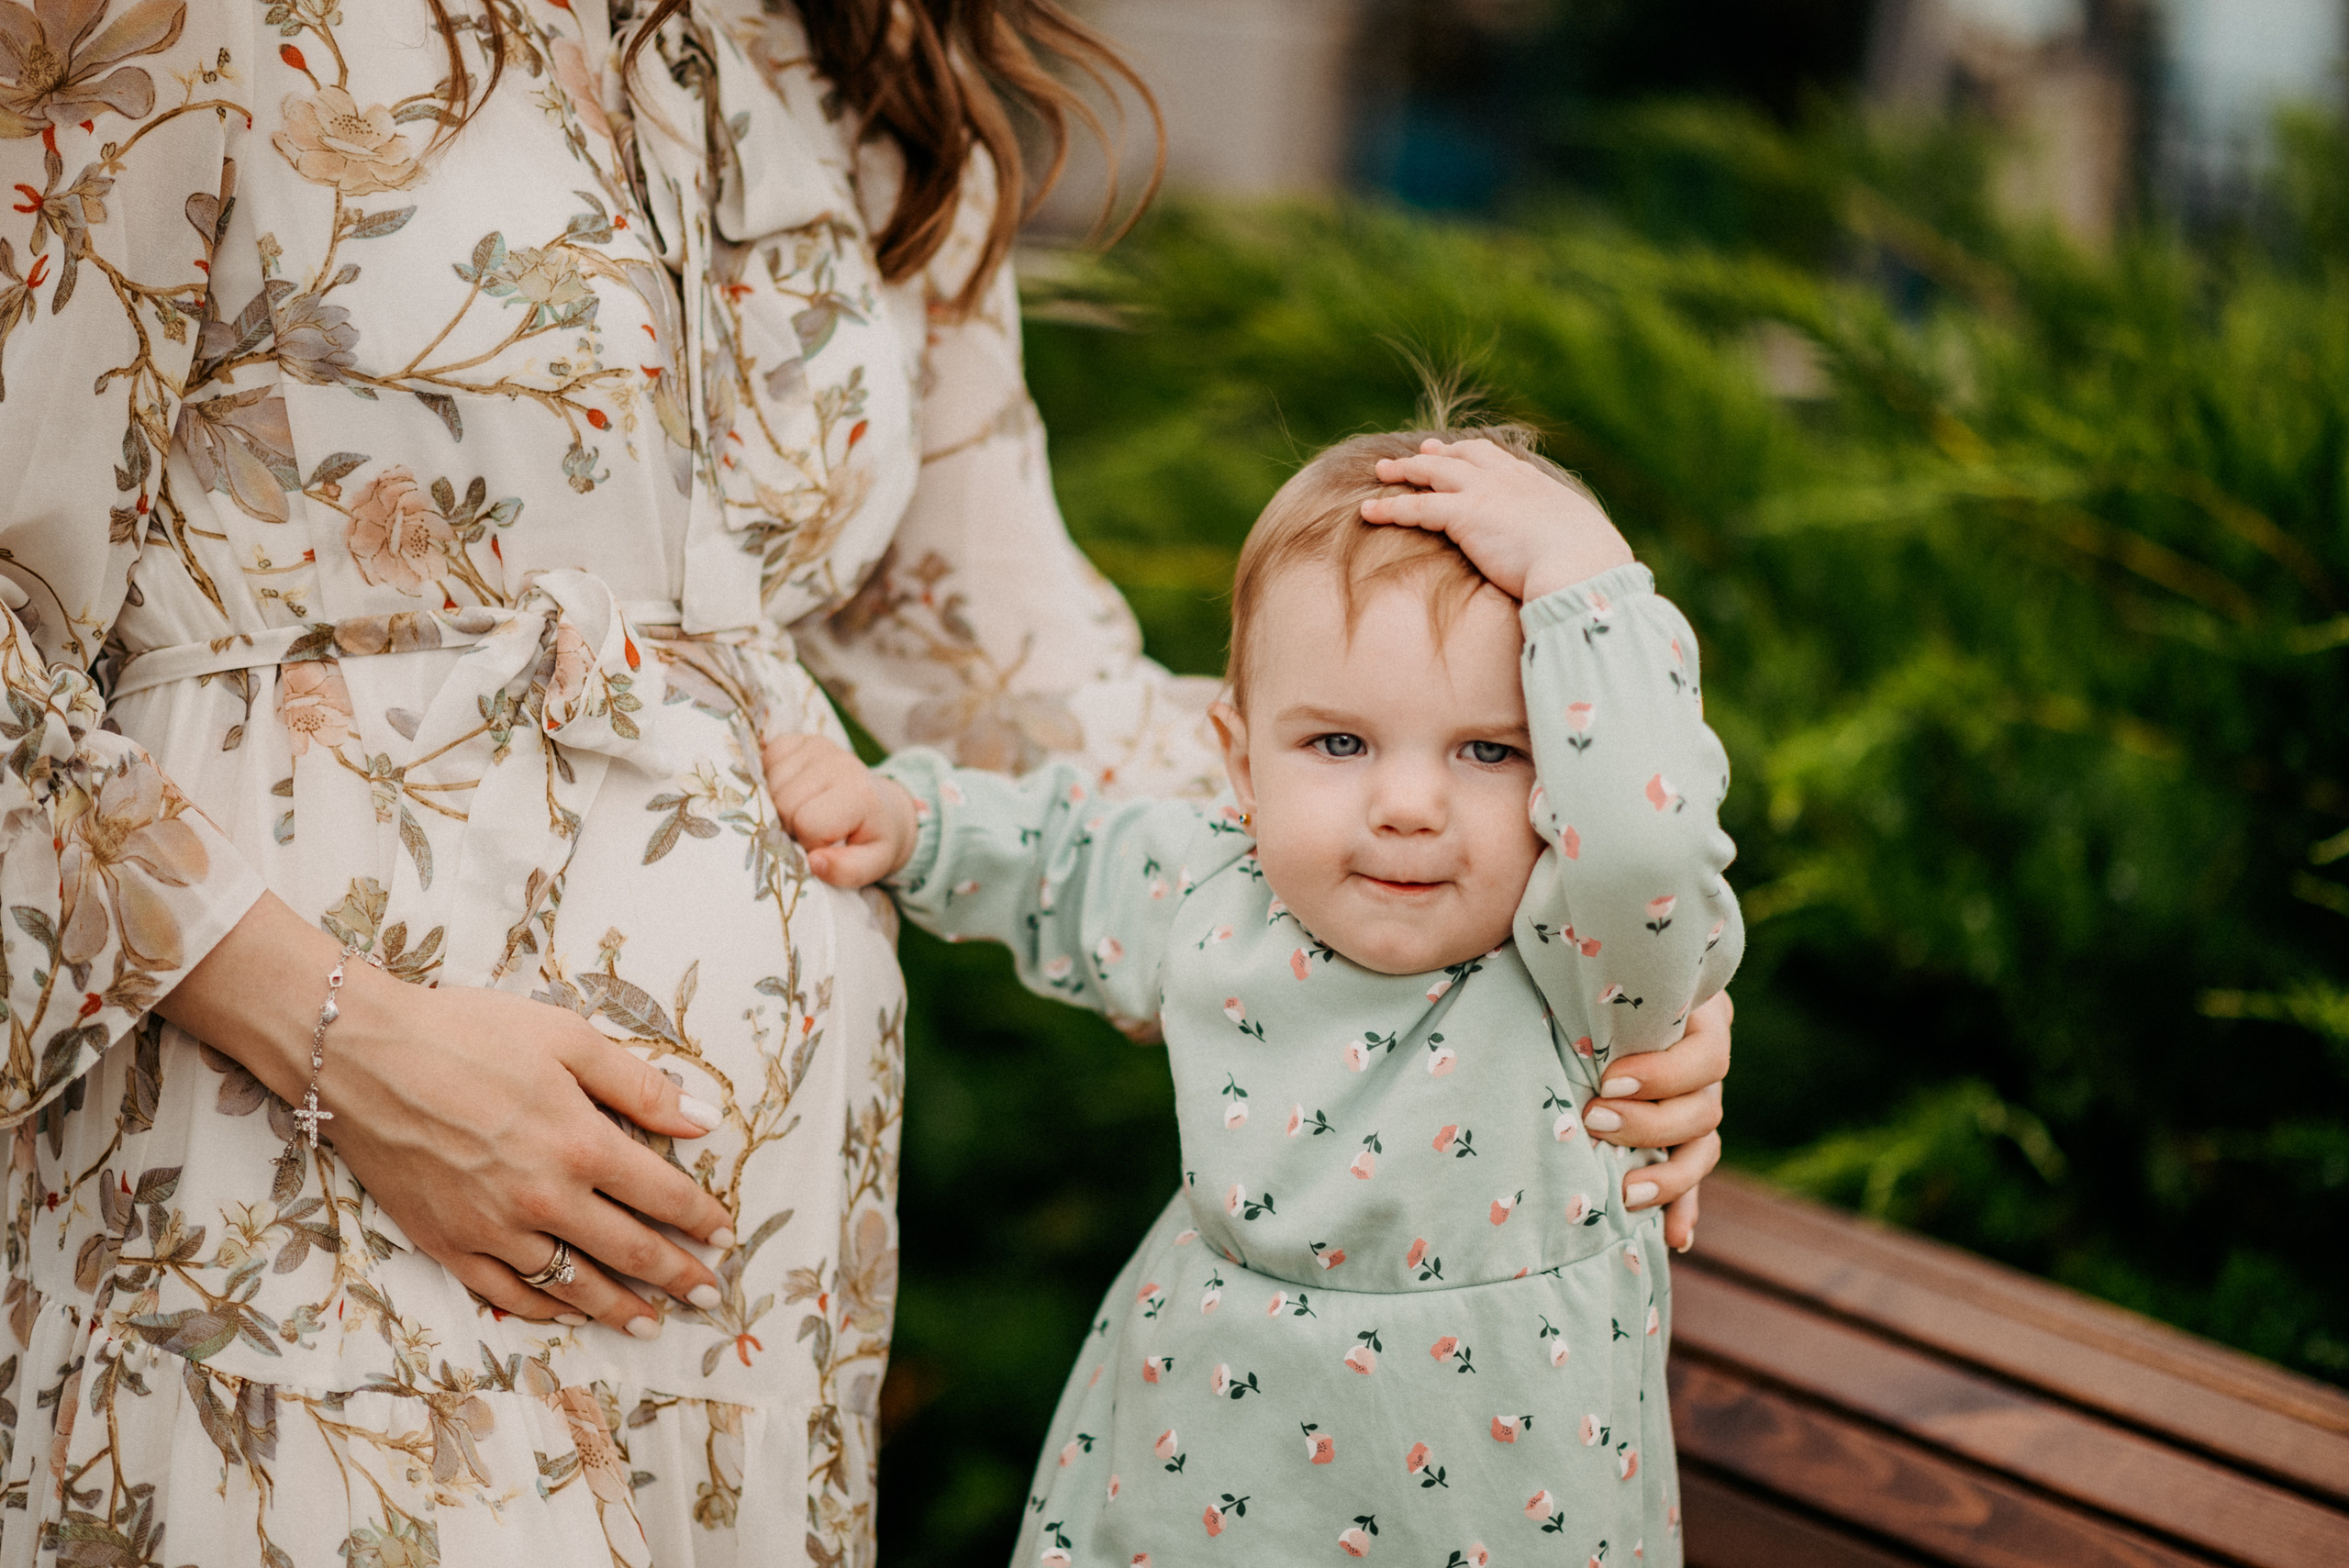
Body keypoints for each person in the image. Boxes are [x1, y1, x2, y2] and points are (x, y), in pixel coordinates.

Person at [0, 0, 1735, 1557]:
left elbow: (1020, 667)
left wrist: (1522, 963)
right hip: (297, 1174)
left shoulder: (859, 69)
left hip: (747, 1285)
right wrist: (346, 1041)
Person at [760, 422, 1742, 1563]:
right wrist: (911, 823)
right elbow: (1059, 854)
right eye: (1339, 741)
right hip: (1209, 1473)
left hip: (1500, 1505)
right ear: (1238, 758)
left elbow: (1644, 842)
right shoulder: (1210, 888)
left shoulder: (1578, 960)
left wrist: (1588, 580)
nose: (1409, 802)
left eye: (1489, 751)